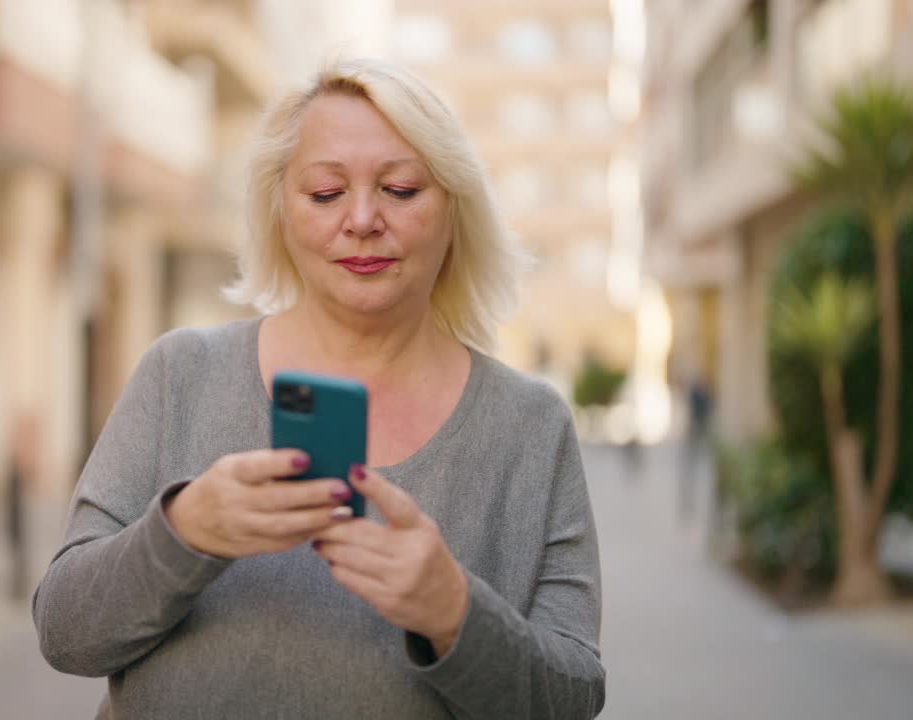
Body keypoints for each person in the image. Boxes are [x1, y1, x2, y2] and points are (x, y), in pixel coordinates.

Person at [33, 58, 605, 719]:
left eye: (401, 189)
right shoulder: (179, 374)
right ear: (280, 210)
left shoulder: (530, 427)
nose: (362, 219)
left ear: (455, 207)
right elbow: (65, 633)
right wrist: (186, 529)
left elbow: (573, 697)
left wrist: (455, 613)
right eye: (326, 194)